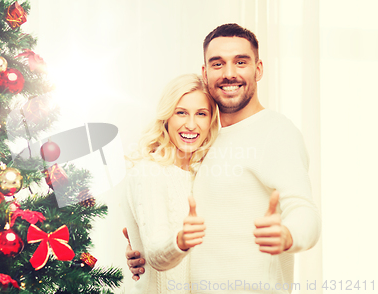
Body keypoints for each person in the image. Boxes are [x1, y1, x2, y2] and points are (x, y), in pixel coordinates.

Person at [124, 23, 321, 293]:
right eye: (218, 64)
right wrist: (141, 248)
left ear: (259, 69)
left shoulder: (276, 132)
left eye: (241, 62)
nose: (229, 73)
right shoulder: (203, 138)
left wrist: (289, 235)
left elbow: (303, 210)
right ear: (205, 74)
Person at [122, 73, 219, 293]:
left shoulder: (202, 173)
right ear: (167, 116)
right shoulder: (148, 172)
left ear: (211, 120)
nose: (191, 125)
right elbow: (157, 255)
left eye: (201, 114)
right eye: (181, 112)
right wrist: (181, 241)